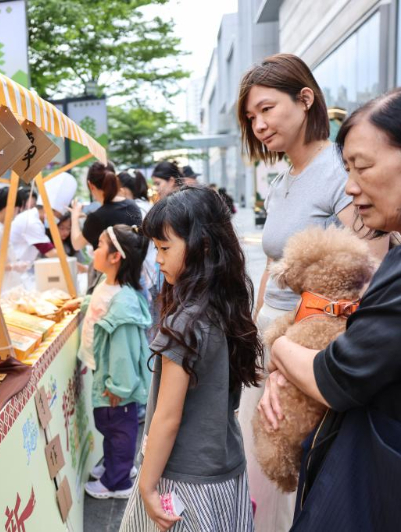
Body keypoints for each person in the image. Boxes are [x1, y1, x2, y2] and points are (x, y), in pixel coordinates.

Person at [258, 84, 401, 530]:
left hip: (392, 480)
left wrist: (280, 349)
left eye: (363, 167)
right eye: (348, 169)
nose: (350, 187)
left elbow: (337, 377)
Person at [236, 53, 388, 532]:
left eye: (266, 109)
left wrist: (296, 353)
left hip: (310, 345)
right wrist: (254, 330)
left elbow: (369, 271)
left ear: (305, 99)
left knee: (292, 472)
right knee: (261, 466)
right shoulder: (283, 179)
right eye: (251, 117)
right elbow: (275, 262)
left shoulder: (339, 173)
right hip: (273, 335)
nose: (259, 125)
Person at [120, 187, 263, 532]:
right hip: (225, 466)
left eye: (165, 248)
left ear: (203, 246)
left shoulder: (184, 324)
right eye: (156, 248)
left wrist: (147, 485)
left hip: (182, 477)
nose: (157, 259)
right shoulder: (227, 305)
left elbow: (167, 418)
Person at [63, 225, 152, 499]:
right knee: (109, 424)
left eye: (100, 245)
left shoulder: (123, 303)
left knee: (118, 428)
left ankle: (118, 481)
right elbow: (98, 302)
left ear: (115, 257)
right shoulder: (108, 284)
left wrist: (119, 387)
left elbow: (123, 353)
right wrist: (82, 303)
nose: (93, 250)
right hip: (106, 373)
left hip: (116, 382)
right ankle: (116, 465)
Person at [8, 172, 77, 265]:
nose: (57, 220)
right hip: (14, 268)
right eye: (58, 216)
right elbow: (51, 252)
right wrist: (80, 267)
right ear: (49, 210)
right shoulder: (31, 222)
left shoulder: (36, 220)